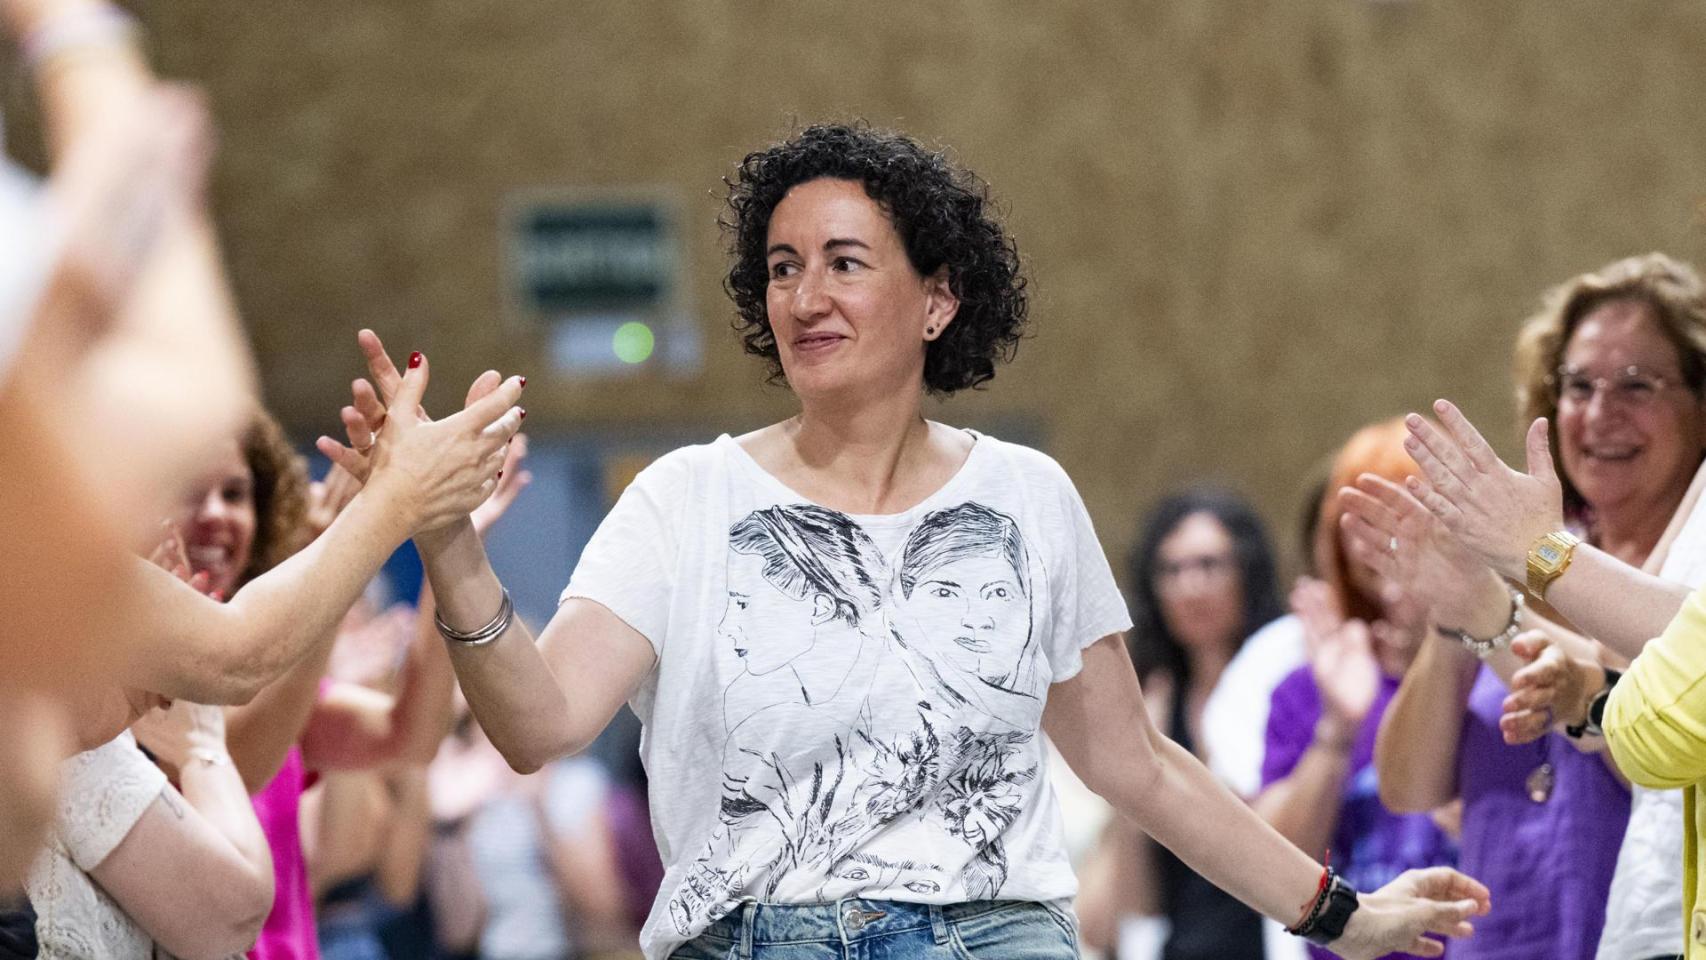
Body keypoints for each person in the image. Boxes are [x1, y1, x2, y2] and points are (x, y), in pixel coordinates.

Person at [342, 124, 1488, 960]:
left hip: (994, 938)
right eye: (781, 268)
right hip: (751, 940)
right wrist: (445, 542)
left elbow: (1137, 768)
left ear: (936, 301)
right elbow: (537, 725)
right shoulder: (685, 500)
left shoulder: (1028, 498)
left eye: (844, 261)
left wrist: (1337, 912)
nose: (803, 296)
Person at [1346, 252, 1706, 960]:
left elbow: (1647, 717)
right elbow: (1409, 786)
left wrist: (1494, 606)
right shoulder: (1529, 553)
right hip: (1504, 930)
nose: (1602, 414)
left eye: (1637, 385)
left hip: (1624, 925)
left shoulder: (1658, 553)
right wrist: (1458, 611)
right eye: (1578, 385)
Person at [1253, 420, 1458, 960]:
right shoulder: (1309, 686)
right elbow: (1273, 867)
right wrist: (1336, 731)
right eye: (1362, 519)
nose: (1381, 539)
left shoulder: (1491, 673)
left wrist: (1440, 646)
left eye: (1402, 513)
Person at [1078, 489, 1285, 960]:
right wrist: (1132, 767)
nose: (1190, 588)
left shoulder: (1286, 681)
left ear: (1247, 573)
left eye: (1209, 565)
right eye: (1171, 570)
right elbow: (1128, 910)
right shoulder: (1154, 699)